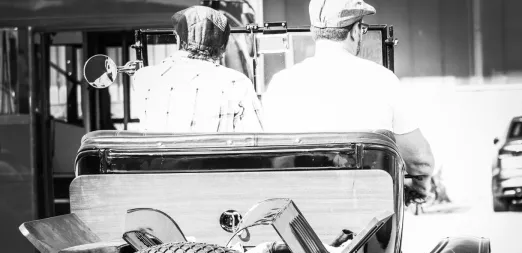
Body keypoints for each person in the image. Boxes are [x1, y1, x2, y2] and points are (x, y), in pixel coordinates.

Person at [261, 0, 435, 199]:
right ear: (355, 31)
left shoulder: (280, 84)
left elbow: (275, 162)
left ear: (313, 32)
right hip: (369, 212)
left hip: (301, 210)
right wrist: (418, 190)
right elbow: (420, 163)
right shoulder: (382, 80)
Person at [133, 5, 263, 133]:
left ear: (178, 39)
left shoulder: (143, 77)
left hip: (158, 148)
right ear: (222, 47)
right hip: (215, 148)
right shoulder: (237, 83)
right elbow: (256, 139)